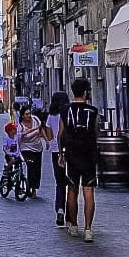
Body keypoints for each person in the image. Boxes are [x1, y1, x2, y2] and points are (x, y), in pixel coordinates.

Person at [62, 77, 101, 241]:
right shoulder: (93, 112)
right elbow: (96, 132)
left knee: (71, 190)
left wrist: (61, 154)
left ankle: (74, 226)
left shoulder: (65, 110)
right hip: (88, 155)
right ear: (86, 92)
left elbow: (61, 133)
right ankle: (88, 229)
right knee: (88, 192)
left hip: (71, 154)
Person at [46, 91, 70, 227]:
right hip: (69, 151)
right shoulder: (69, 114)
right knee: (71, 183)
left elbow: (49, 137)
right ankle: (71, 214)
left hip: (56, 152)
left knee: (60, 182)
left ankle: (60, 209)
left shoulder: (51, 116)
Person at [17, 104, 48, 199]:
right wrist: (18, 152)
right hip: (26, 148)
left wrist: (46, 141)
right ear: (22, 116)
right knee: (31, 167)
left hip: (37, 147)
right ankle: (29, 188)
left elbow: (41, 129)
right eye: (26, 114)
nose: (29, 115)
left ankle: (34, 188)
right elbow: (18, 139)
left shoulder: (35, 120)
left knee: (37, 168)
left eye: (29, 113)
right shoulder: (21, 126)